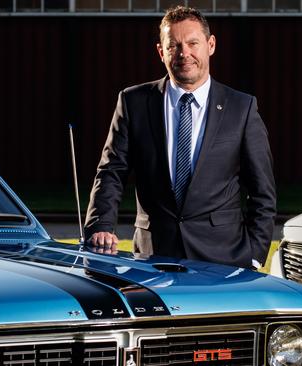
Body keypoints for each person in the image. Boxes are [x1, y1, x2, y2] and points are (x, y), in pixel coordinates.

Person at [84, 6, 276, 269]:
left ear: (210, 45)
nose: (184, 53)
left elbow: (262, 191)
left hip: (224, 262)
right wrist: (101, 226)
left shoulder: (241, 108)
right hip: (154, 258)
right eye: (174, 45)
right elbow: (111, 172)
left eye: (192, 43)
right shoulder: (134, 102)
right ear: (161, 52)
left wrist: (253, 255)